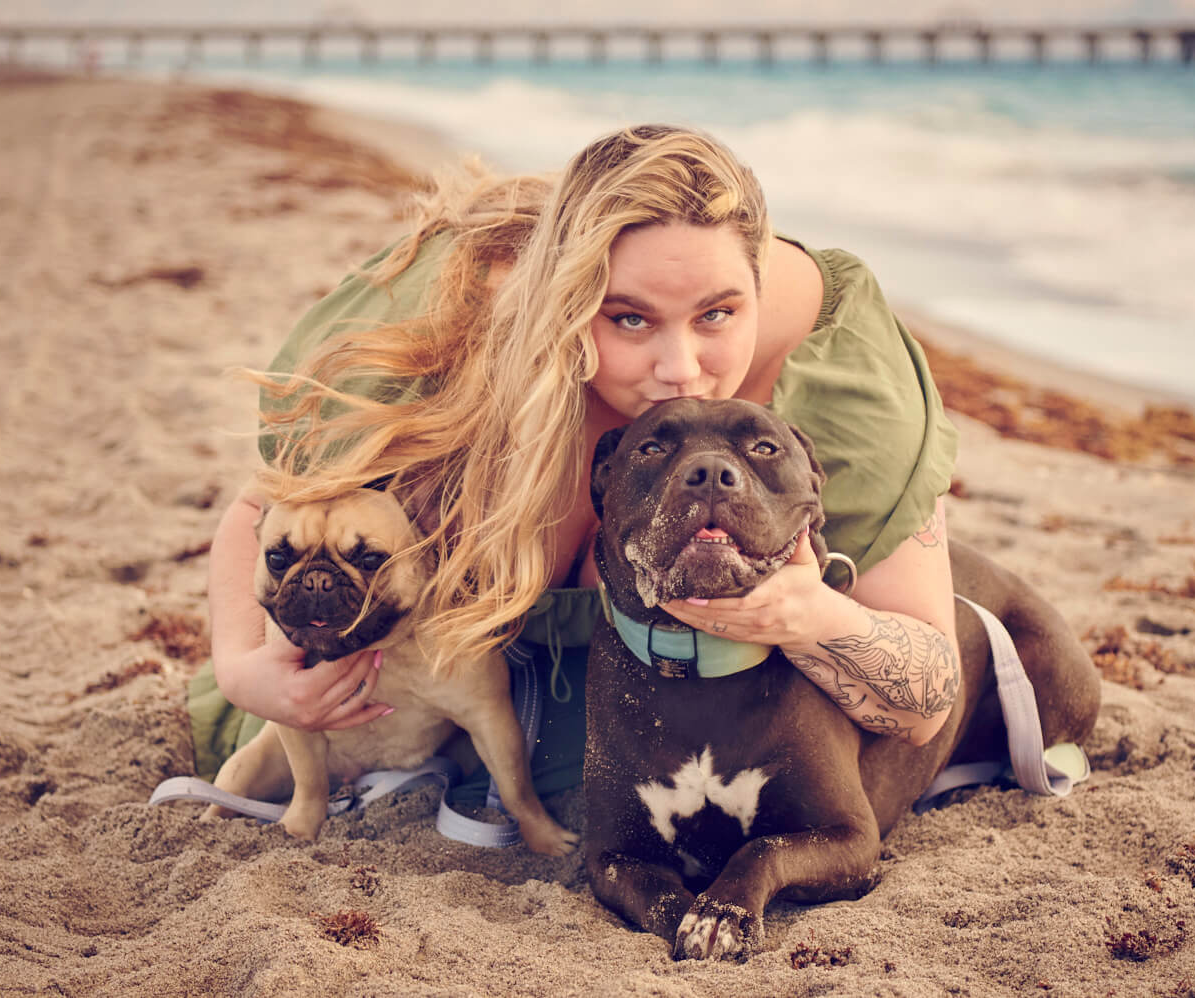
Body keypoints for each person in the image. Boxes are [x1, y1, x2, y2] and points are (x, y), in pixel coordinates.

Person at [192, 123, 960, 799]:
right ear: (561, 298)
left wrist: (807, 616)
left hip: (666, 717)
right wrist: (240, 669)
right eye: (628, 318)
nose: (681, 369)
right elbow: (266, 507)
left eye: (718, 315)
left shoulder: (845, 377)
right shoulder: (450, 325)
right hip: (420, 692)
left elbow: (926, 704)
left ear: (758, 282)